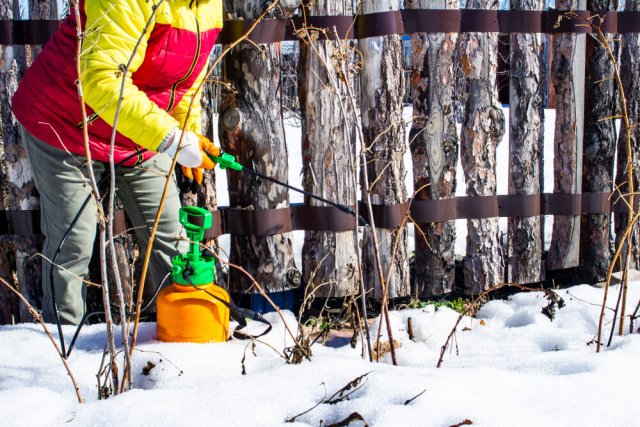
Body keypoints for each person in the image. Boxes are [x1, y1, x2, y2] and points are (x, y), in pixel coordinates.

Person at [11, 0, 223, 325]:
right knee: (73, 245)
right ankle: (64, 355)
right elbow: (101, 80)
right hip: (66, 124)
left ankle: (184, 339)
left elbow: (186, 80)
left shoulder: (208, 6)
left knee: (172, 241)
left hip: (139, 131)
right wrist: (170, 138)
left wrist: (187, 130)